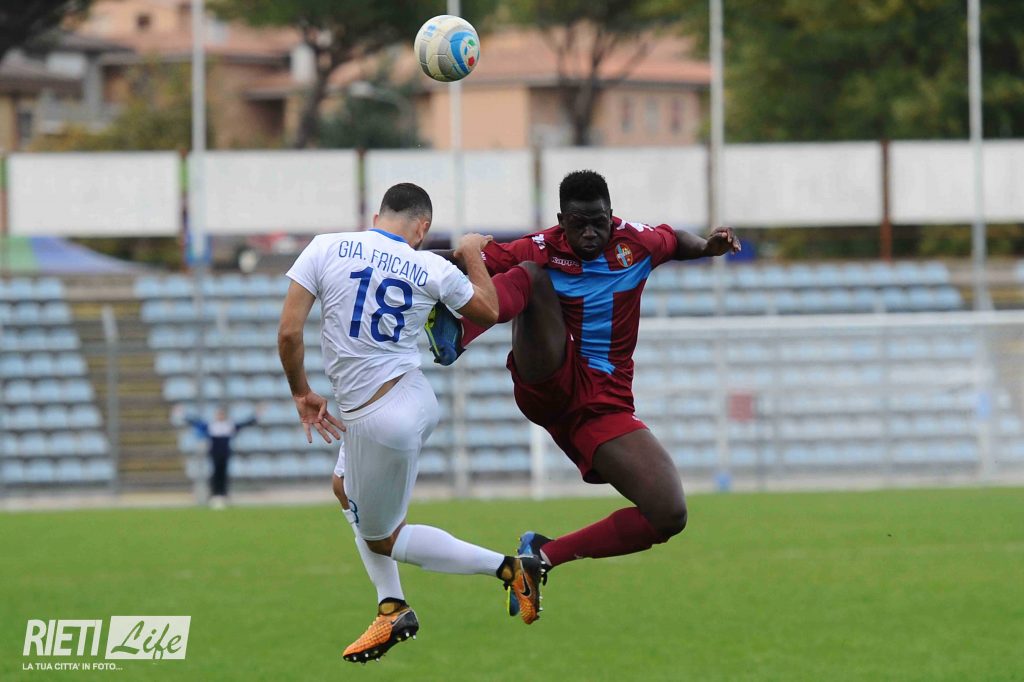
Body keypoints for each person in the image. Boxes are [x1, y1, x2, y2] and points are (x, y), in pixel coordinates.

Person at [425, 170, 740, 601]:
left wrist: (706, 246)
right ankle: (457, 332)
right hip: (550, 380)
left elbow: (675, 240)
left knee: (669, 512)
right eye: (579, 224)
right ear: (561, 221)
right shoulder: (541, 247)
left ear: (612, 215)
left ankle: (541, 556)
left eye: (599, 222)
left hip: (604, 406)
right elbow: (459, 261)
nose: (590, 233)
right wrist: (394, 256)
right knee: (531, 275)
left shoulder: (636, 243)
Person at [277, 182, 544, 665]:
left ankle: (510, 570)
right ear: (423, 228)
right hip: (412, 395)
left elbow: (289, 333)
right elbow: (490, 310)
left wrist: (301, 391)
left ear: (377, 216)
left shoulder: (325, 247)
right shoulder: (429, 266)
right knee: (343, 487)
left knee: (385, 538)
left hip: (378, 418)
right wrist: (470, 252)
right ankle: (391, 605)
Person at [175, 404, 260, 509]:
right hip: (215, 453)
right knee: (215, 474)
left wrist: (255, 415)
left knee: (223, 474)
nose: (220, 416)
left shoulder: (229, 426)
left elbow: (244, 424)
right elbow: (196, 422)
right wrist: (183, 415)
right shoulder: (212, 426)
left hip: (225, 453)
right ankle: (215, 494)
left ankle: (223, 494)